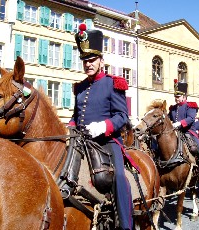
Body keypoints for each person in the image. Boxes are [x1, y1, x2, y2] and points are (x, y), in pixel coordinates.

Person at [70, 24, 133, 229]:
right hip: (81, 141)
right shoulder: (79, 88)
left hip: (107, 141)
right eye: (85, 61)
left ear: (101, 60)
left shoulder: (113, 83)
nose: (88, 64)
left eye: (92, 60)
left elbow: (122, 116)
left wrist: (103, 126)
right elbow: (75, 116)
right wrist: (69, 128)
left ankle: (125, 224)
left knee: (119, 177)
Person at [168, 80, 199, 175]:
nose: (176, 98)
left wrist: (179, 123)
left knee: (197, 147)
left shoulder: (190, 106)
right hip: (175, 132)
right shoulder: (173, 108)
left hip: (188, 131)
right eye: (175, 96)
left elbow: (191, 118)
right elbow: (168, 118)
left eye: (178, 96)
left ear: (184, 96)